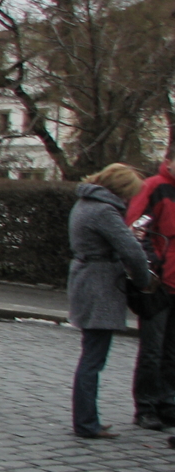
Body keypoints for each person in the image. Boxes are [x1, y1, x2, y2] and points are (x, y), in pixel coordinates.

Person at [68, 164, 152, 439]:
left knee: (91, 354)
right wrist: (143, 281)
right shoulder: (104, 210)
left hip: (85, 278)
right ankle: (86, 421)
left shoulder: (85, 203)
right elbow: (133, 252)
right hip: (99, 284)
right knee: (93, 358)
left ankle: (86, 418)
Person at [125, 144, 175, 430]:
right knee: (153, 350)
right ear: (168, 161)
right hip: (159, 283)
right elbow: (136, 227)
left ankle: (166, 402)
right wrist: (153, 263)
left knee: (171, 350)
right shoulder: (154, 187)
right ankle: (146, 407)